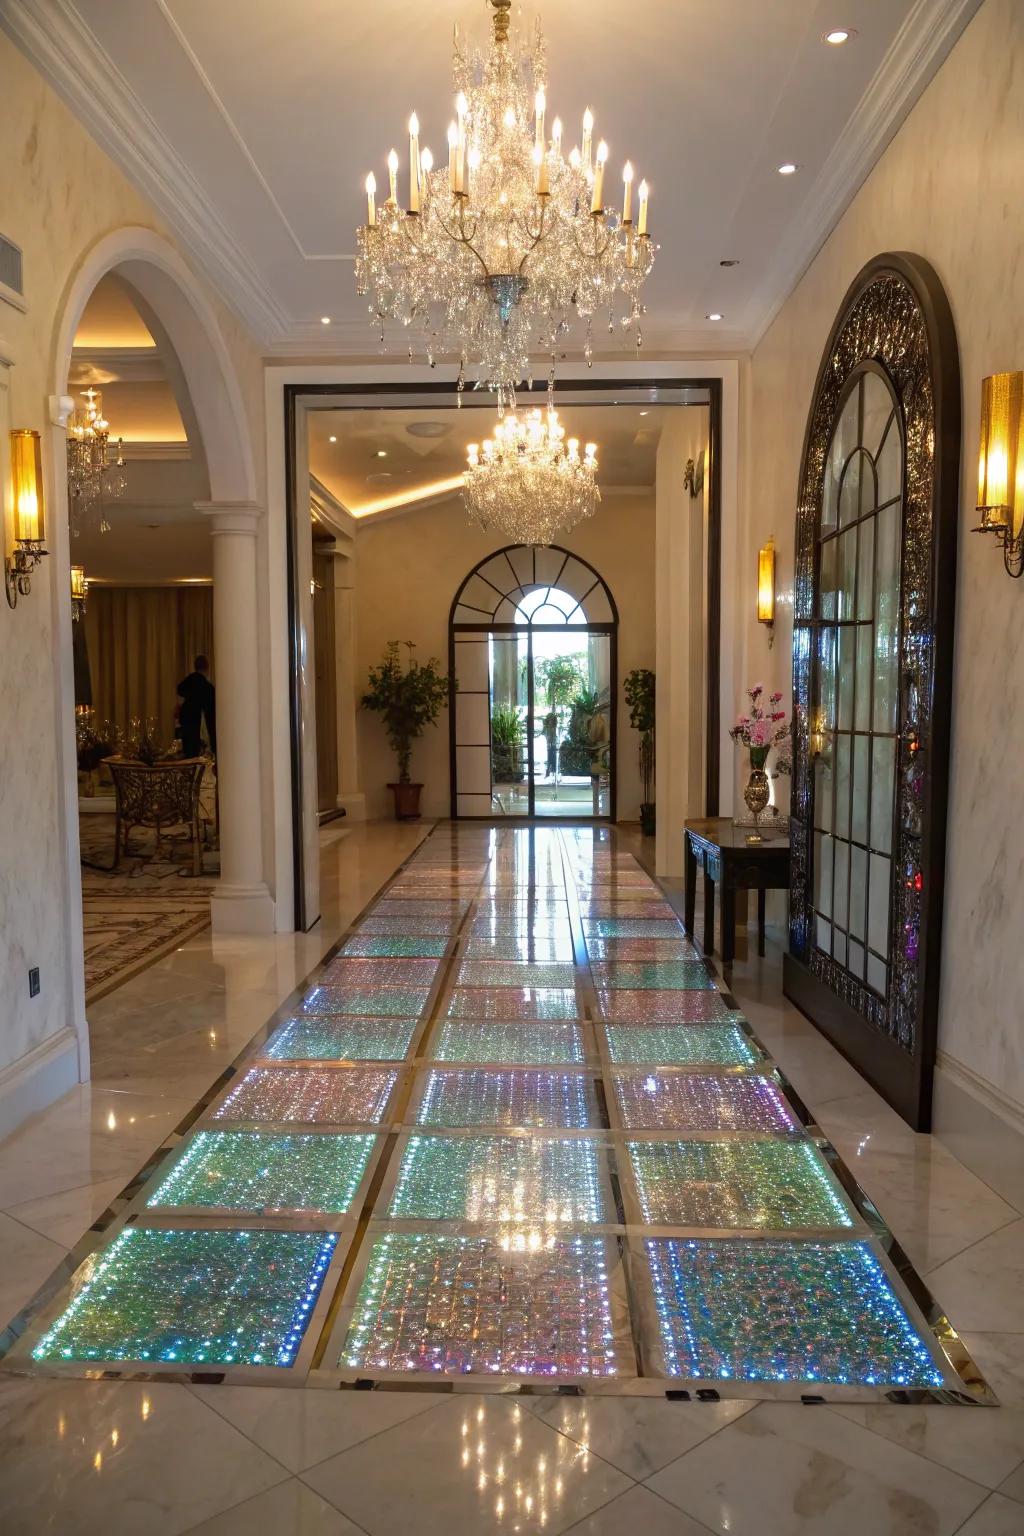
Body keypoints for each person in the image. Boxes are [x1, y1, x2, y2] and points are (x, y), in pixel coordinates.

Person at [175, 655, 216, 759]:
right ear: (207, 667)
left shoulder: (190, 679)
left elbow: (179, 689)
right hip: (201, 721)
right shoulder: (208, 687)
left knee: (189, 752)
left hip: (188, 719)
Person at [542, 710, 558, 778]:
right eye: (550, 720)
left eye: (552, 720)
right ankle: (549, 770)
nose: (551, 721)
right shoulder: (547, 728)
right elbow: (547, 736)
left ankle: (550, 770)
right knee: (550, 756)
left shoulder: (553, 728)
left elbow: (553, 736)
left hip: (552, 745)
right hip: (549, 745)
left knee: (551, 756)